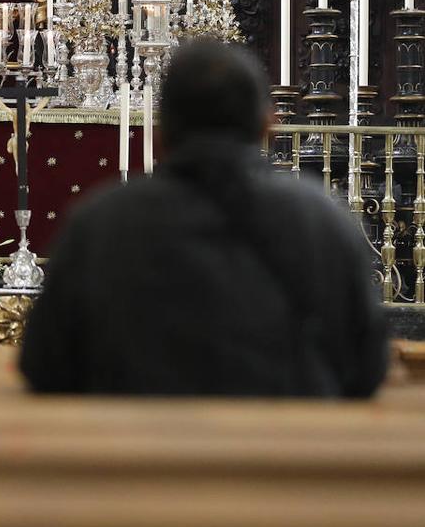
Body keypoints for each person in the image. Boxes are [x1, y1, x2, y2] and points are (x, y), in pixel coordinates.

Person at [20, 40, 387, 397]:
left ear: (161, 134)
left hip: (132, 450)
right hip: (281, 453)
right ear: (267, 126)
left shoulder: (98, 223)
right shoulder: (323, 220)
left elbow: (45, 364)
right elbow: (366, 366)